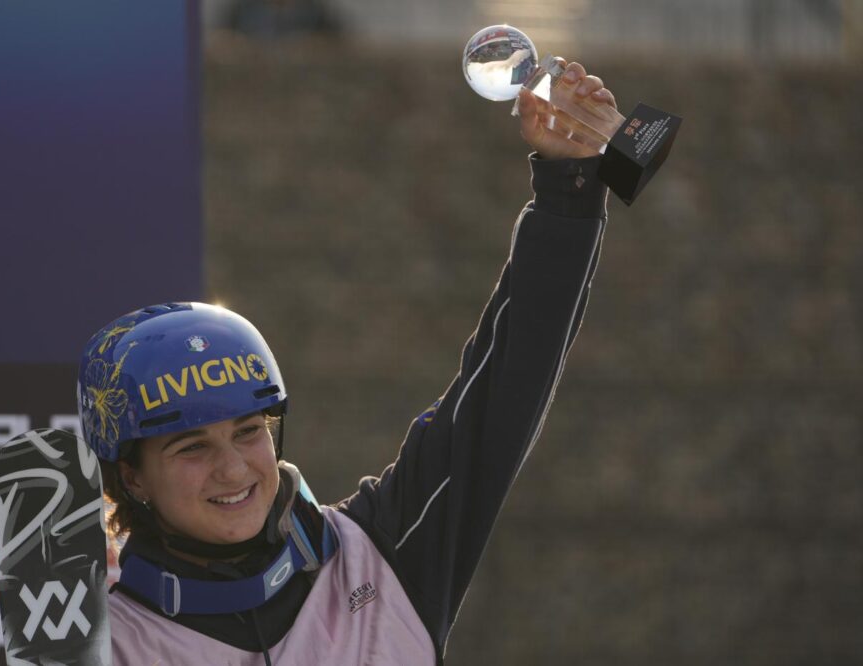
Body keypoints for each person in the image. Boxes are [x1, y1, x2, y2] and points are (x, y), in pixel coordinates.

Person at [77, 61, 614, 664]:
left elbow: (509, 376)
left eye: (249, 432)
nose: (233, 470)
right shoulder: (108, 646)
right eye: (192, 447)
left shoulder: (383, 551)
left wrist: (569, 184)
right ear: (132, 476)